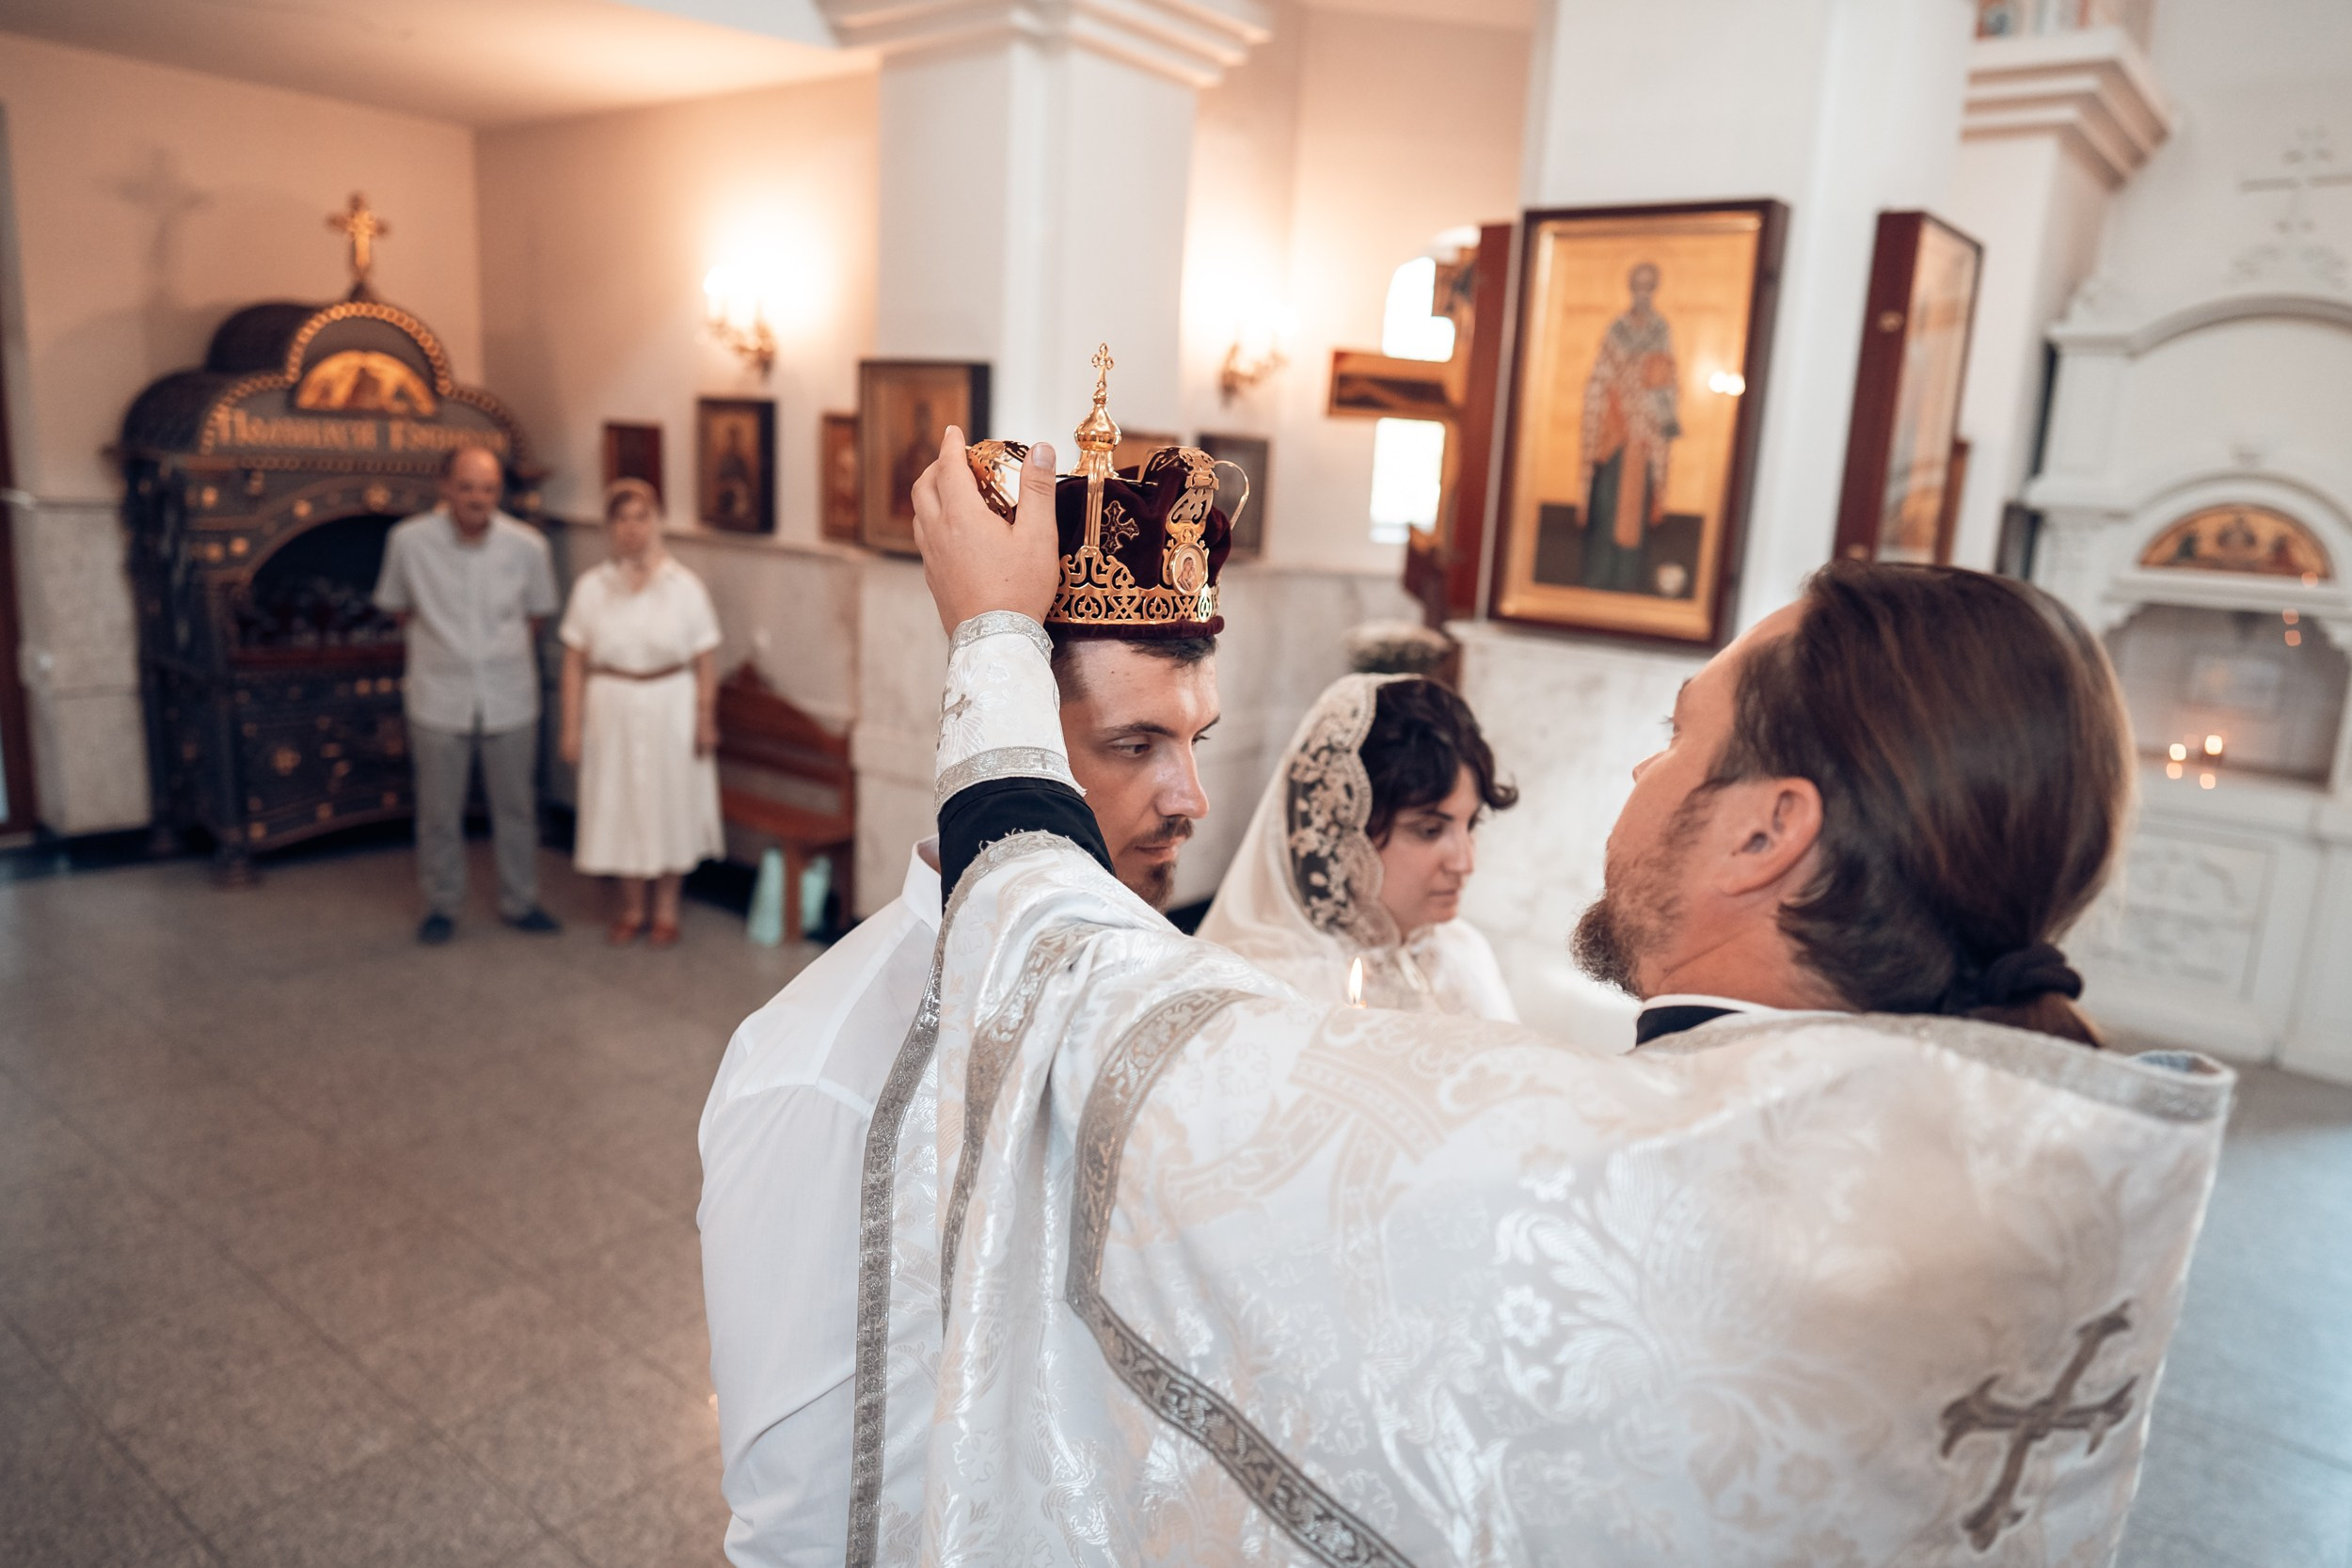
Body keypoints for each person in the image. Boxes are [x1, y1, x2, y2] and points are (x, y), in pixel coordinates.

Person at [870, 415, 2233, 1565]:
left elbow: (1082, 999)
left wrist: (993, 633)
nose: (1641, 778)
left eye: (1673, 733)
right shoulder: (1998, 1174)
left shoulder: (1612, 1191)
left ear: (1769, 831)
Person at [698, 359, 1238, 1568]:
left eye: (1197, 740)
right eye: (1134, 742)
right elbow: (799, 1507)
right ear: (1017, 745)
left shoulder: (1152, 987)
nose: (1190, 796)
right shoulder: (820, 1072)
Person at [1198, 673, 1518, 1017]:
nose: (1464, 862)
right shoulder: (1271, 991)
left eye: (1471, 824)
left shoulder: (1463, 951)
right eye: (1429, 830)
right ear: (1338, 829)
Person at [373, 444, 562, 943]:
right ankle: (441, 903)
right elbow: (395, 606)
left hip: (509, 696)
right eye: (467, 486)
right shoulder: (408, 542)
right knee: (438, 810)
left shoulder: (527, 547)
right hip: (438, 695)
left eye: (489, 488)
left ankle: (521, 900)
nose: (478, 498)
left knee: (517, 807)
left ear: (499, 492)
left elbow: (537, 615)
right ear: (445, 487)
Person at [556, 479, 723, 946]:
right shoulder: (592, 587)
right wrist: (571, 727)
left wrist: (705, 718)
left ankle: (667, 909)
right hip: (611, 705)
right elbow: (573, 662)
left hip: (671, 702)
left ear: (656, 522)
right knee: (621, 804)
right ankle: (632, 907)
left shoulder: (683, 586)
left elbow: (705, 658)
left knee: (670, 803)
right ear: (609, 526)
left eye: (641, 517)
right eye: (622, 518)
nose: (632, 529)